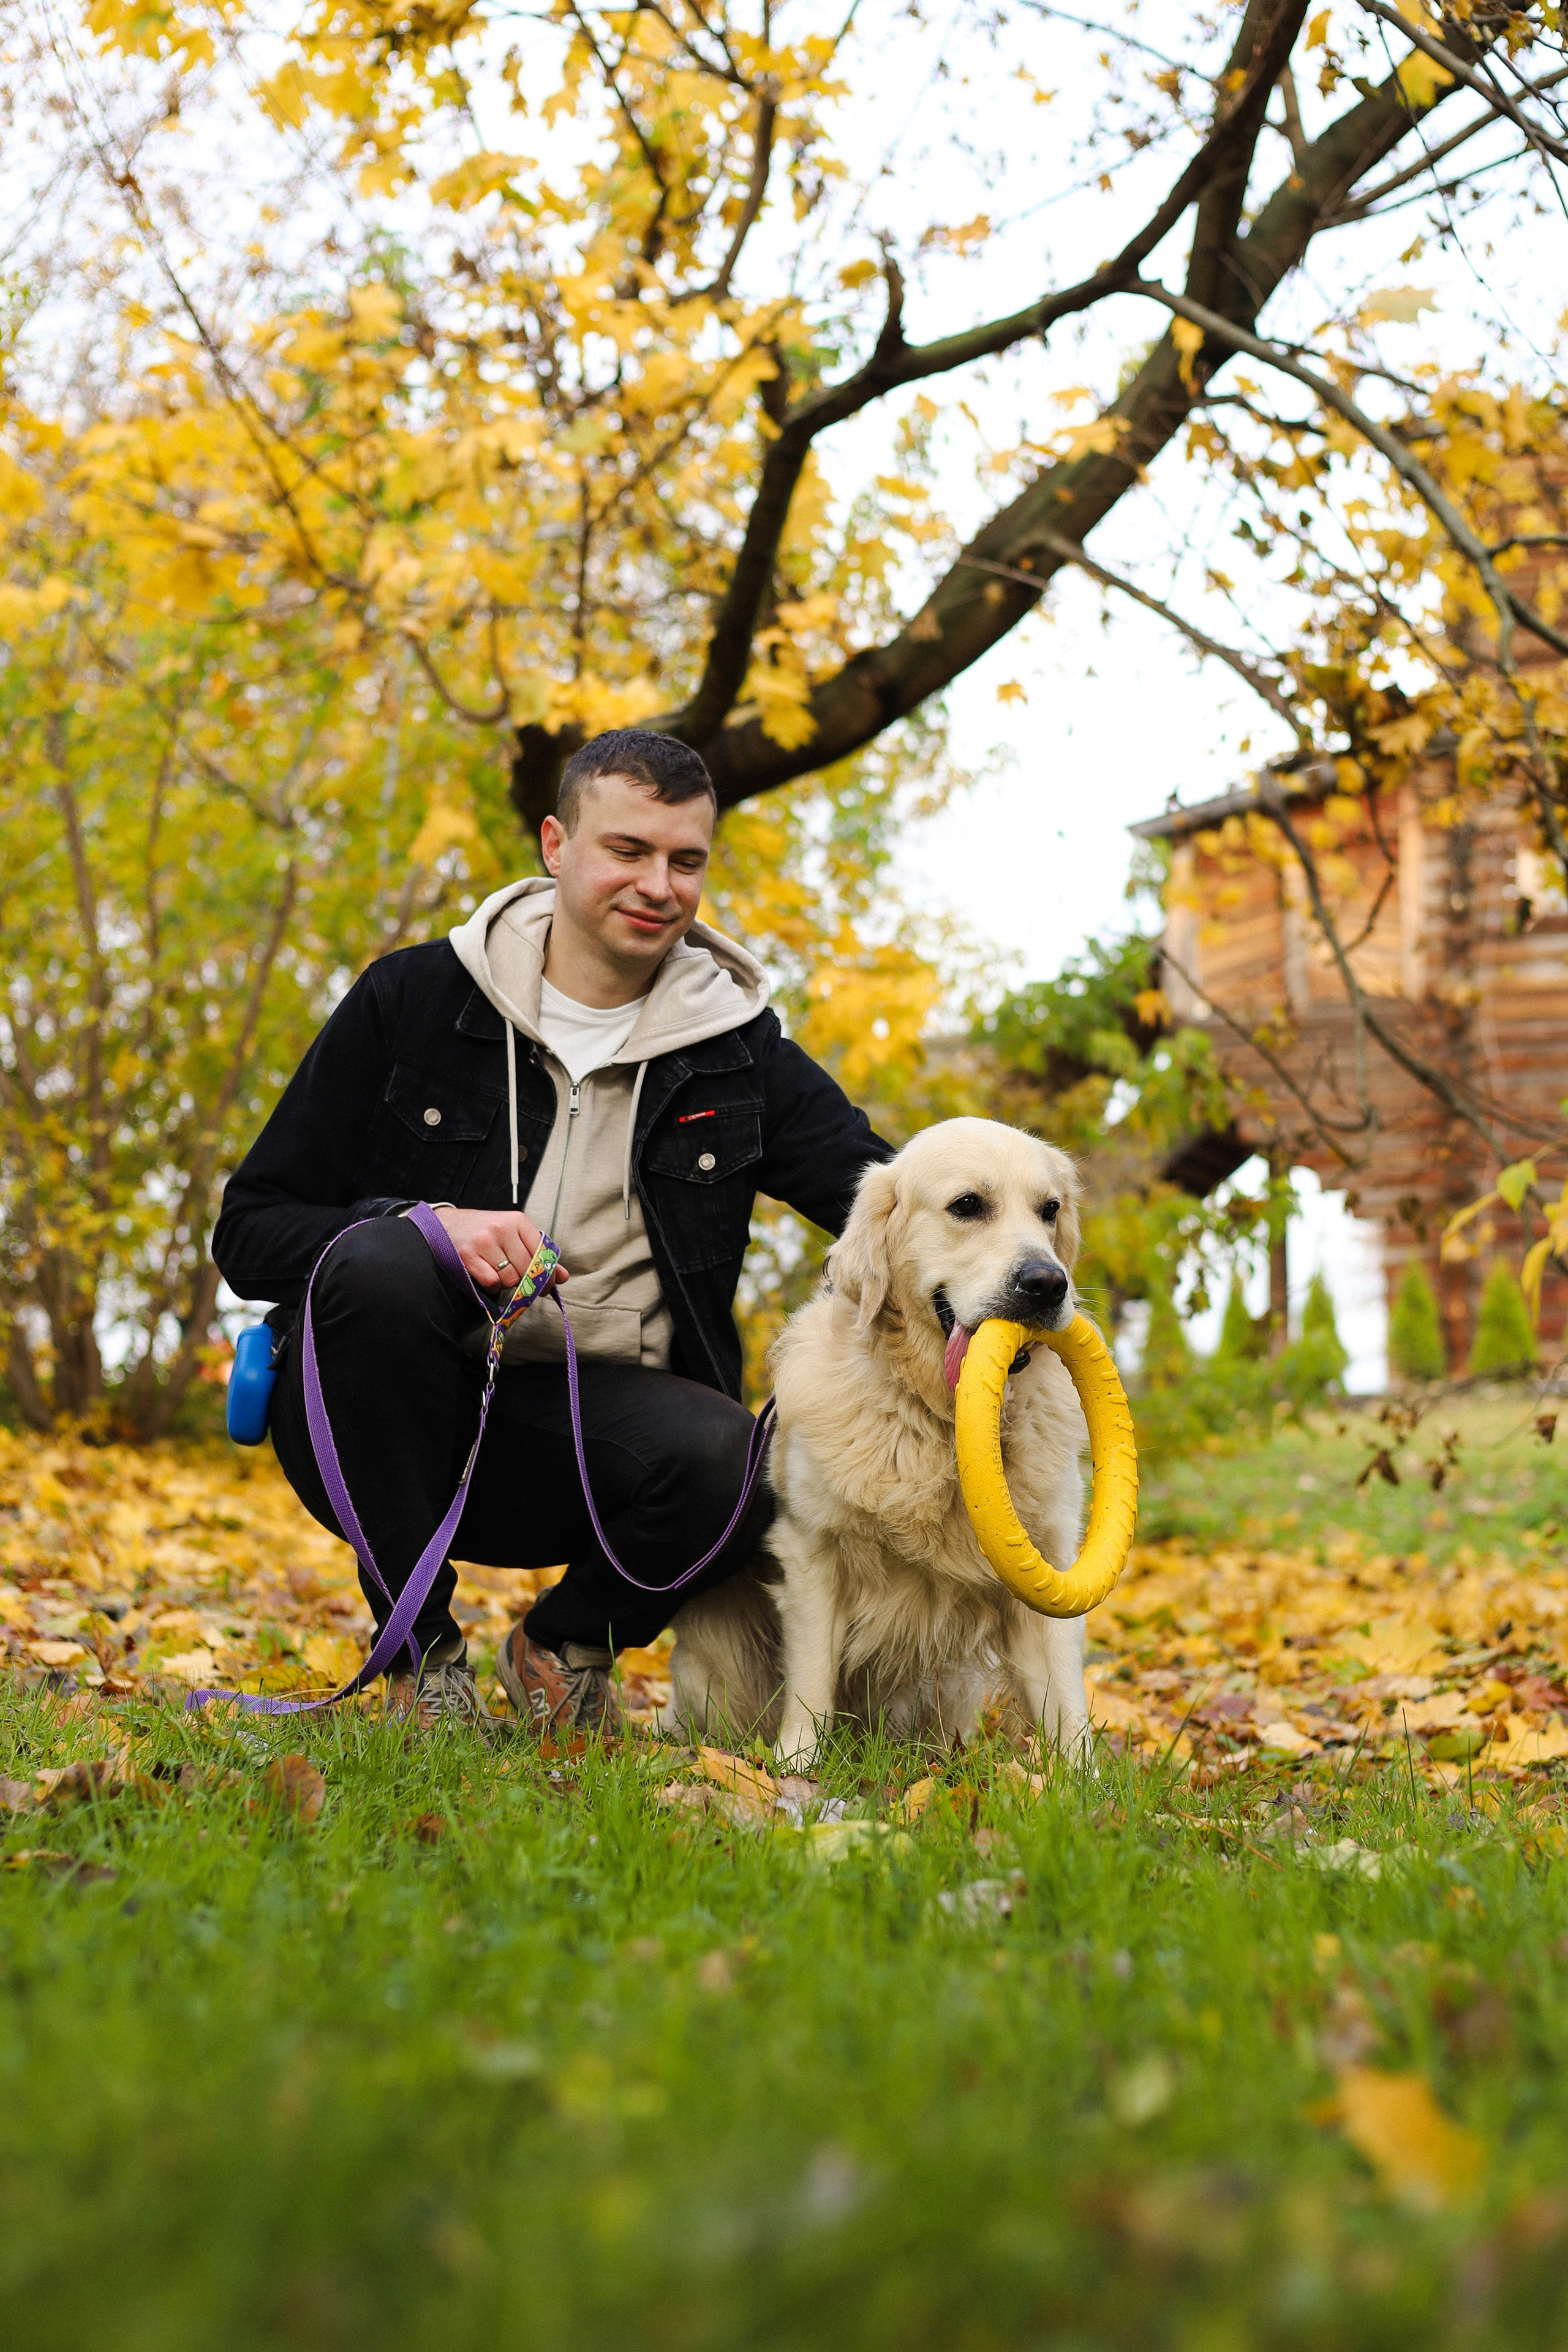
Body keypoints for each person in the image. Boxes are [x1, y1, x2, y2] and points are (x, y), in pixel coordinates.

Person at [212, 728, 894, 1733]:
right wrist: (427, 1226)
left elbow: (890, 1197)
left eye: (686, 860)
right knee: (382, 1262)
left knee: (749, 1459)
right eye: (627, 850)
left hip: (594, 1440)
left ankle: (565, 1647)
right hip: (381, 1422)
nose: (658, 884)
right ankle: (422, 1666)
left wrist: (1010, 1259)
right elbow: (251, 1230)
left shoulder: (738, 1051)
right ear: (555, 846)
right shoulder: (411, 999)